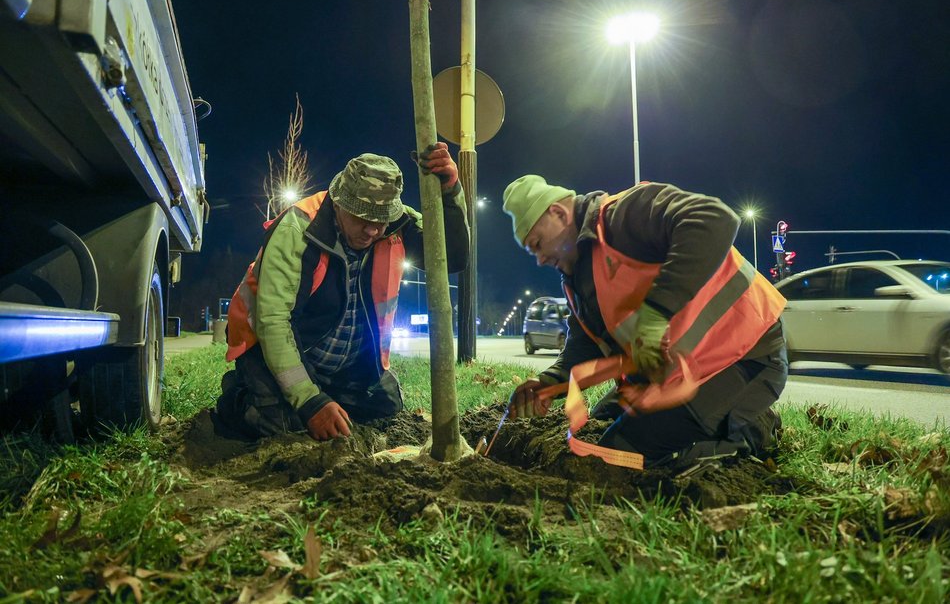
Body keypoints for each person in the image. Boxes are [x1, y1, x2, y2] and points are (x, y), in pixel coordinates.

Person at [502, 175, 788, 468]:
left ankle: (751, 433)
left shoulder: (624, 214)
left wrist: (654, 315)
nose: (538, 259)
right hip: (680, 373)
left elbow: (715, 220)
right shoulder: (577, 280)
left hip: (747, 355)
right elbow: (583, 348)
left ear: (559, 214)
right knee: (599, 425)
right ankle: (735, 415)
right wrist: (547, 383)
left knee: (624, 456)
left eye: (537, 244)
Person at [214, 144, 468, 441]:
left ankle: (325, 393)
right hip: (274, 351)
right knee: (288, 428)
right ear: (339, 204)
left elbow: (453, 257)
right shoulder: (297, 229)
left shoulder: (398, 223)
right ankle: (240, 398)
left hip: (348, 366)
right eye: (363, 218)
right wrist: (311, 402)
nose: (373, 230)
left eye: (380, 219)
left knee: (386, 409)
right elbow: (273, 321)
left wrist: (451, 192)